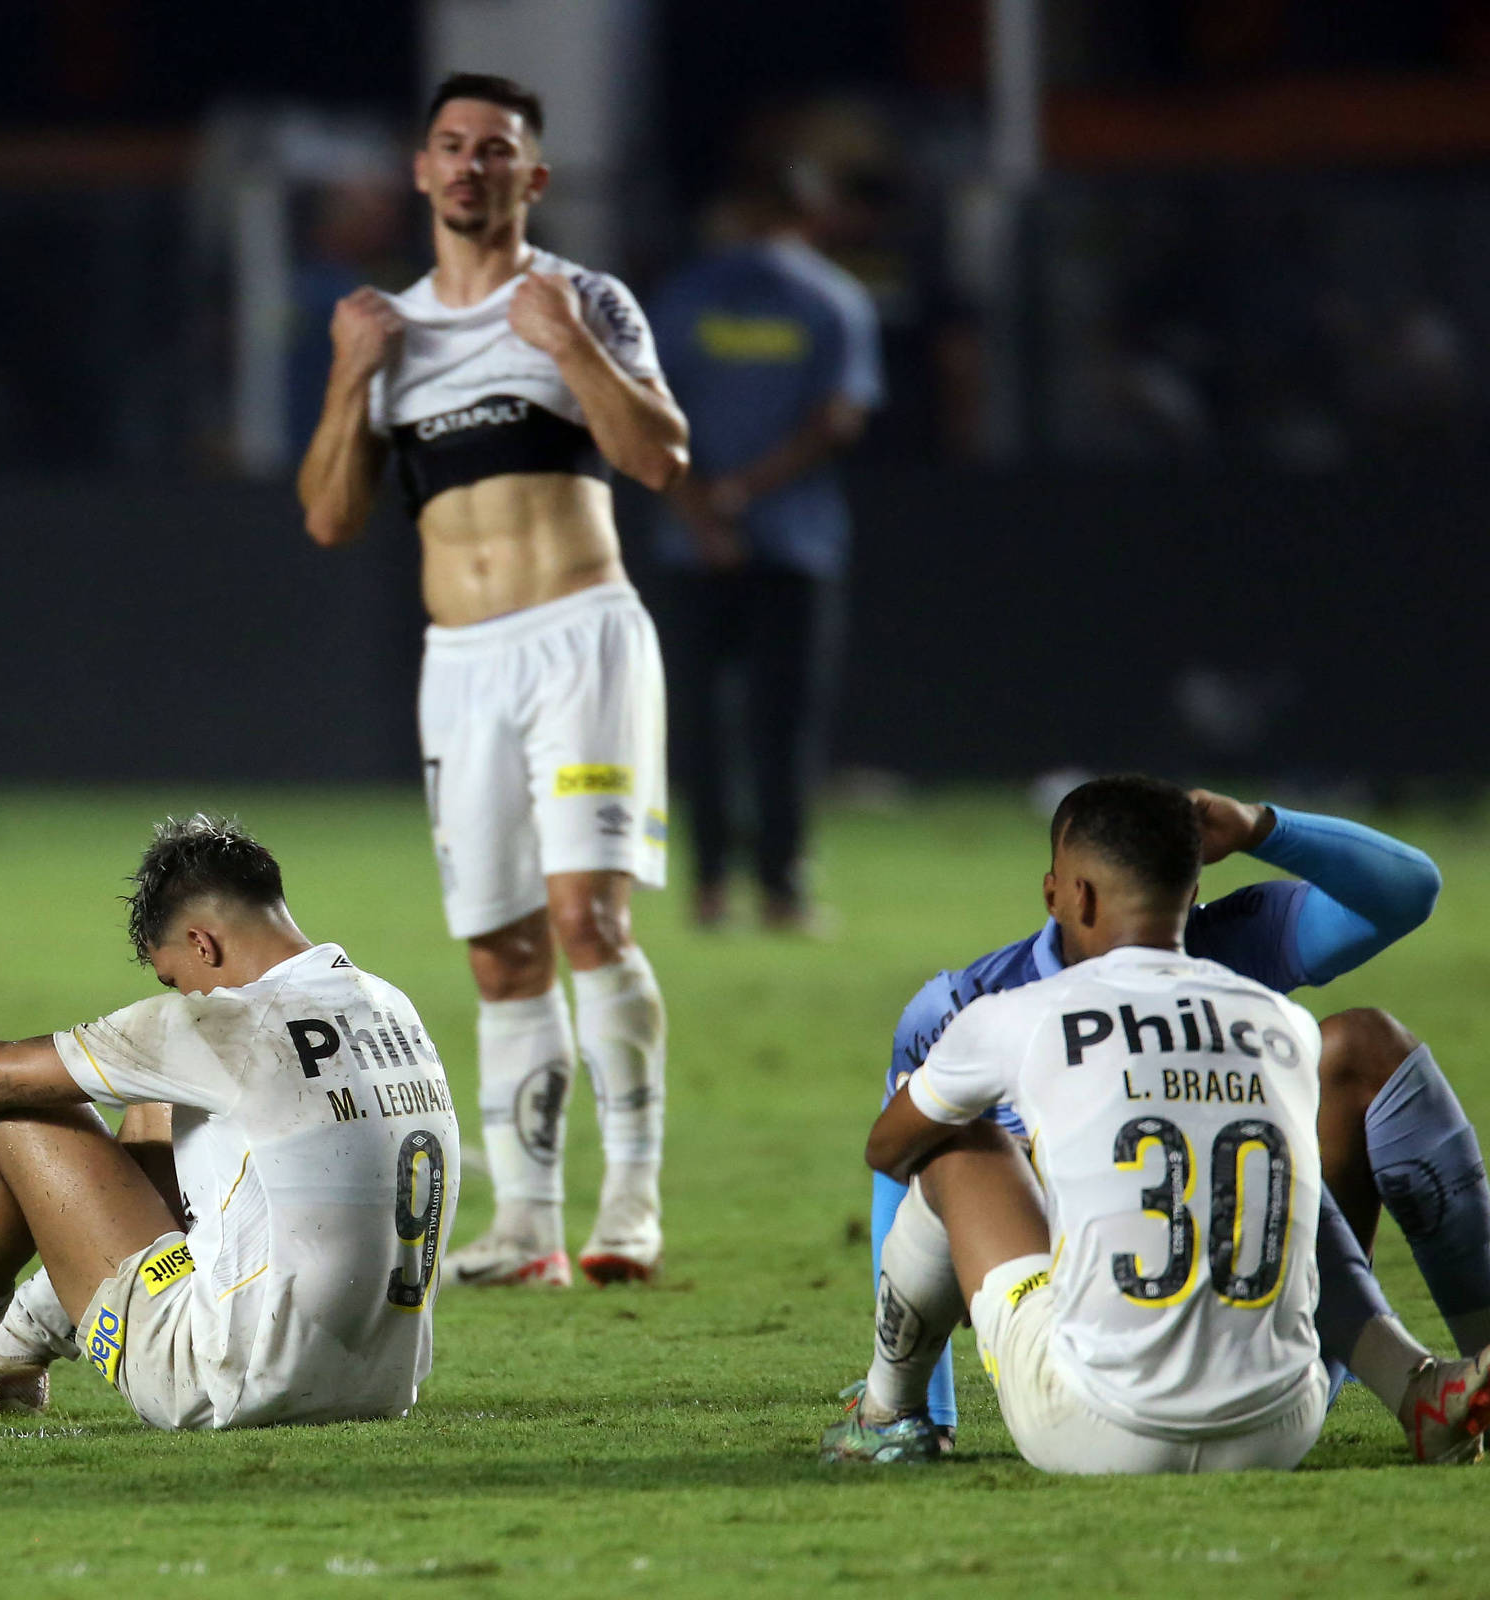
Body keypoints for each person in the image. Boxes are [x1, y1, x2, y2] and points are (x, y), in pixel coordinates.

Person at [294, 72, 687, 1288]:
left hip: (581, 636)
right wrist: (352, 374)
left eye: (496, 150)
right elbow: (328, 516)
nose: (471, 166)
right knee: (501, 954)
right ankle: (525, 1225)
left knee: (589, 922)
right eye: (451, 147)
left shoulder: (584, 301)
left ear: (534, 177)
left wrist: (568, 342)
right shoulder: (388, 330)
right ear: (421, 171)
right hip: (461, 666)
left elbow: (660, 457)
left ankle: (629, 1204)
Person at [860, 786, 1490, 1462]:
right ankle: (1413, 1382)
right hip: (1279, 1397)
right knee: (1254, 1147)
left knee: (1361, 1051)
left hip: (1100, 1400)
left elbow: (894, 1156)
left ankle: (886, 1418)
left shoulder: (993, 1013)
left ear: (1063, 893)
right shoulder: (1269, 1012)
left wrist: (1266, 828)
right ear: (1190, 890)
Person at [0, 816, 459, 1431]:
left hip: (229, 1380)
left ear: (202, 942)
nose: (185, 996)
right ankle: (13, 1352)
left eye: (179, 977)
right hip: (379, 1385)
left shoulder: (219, 1022)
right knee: (159, 1101)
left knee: (17, 1116)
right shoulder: (388, 1004)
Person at [645, 156, 883, 932]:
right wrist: (747, 494)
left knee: (700, 725)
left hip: (694, 546)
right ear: (813, 217)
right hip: (797, 543)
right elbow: (839, 419)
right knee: (785, 725)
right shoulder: (833, 299)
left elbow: (648, 411)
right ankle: (783, 892)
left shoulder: (686, 297)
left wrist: (701, 510)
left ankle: (708, 889)